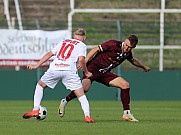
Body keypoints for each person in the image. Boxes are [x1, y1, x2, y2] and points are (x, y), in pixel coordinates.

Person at [58, 34, 150, 122]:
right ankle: (65, 100)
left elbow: (133, 61)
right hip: (93, 68)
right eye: (126, 45)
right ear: (125, 41)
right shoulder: (113, 44)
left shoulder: (127, 53)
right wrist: (85, 62)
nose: (127, 48)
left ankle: (127, 114)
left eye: (130, 47)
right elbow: (95, 49)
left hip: (105, 73)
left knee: (125, 85)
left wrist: (143, 67)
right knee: (84, 89)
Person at [22, 28, 94, 123]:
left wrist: (36, 65)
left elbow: (49, 54)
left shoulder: (64, 42)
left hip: (55, 69)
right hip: (69, 71)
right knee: (81, 95)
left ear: (74, 36)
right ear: (84, 38)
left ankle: (35, 109)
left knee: (40, 86)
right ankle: (87, 116)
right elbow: (81, 60)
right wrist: (87, 72)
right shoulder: (82, 45)